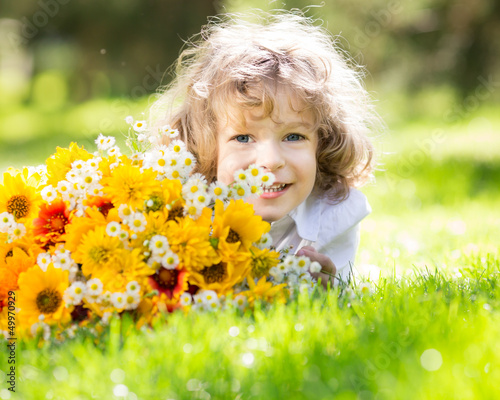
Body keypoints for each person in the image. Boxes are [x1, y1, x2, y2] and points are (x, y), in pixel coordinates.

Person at [151, 10, 379, 287]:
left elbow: (333, 298)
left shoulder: (336, 212)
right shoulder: (179, 209)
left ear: (324, 142)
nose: (270, 161)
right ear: (206, 146)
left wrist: (331, 288)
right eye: (243, 138)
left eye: (294, 136)